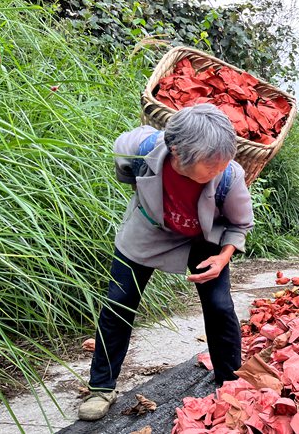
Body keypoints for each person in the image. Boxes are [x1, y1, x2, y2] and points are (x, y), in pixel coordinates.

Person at [78, 104, 254, 421]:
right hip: (149, 228)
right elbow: (125, 174)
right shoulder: (138, 149)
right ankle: (101, 387)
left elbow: (239, 225)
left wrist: (222, 257)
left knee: (219, 305)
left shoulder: (229, 175)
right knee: (119, 301)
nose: (220, 168)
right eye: (210, 164)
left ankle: (229, 380)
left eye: (223, 161)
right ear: (176, 152)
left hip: (204, 236)